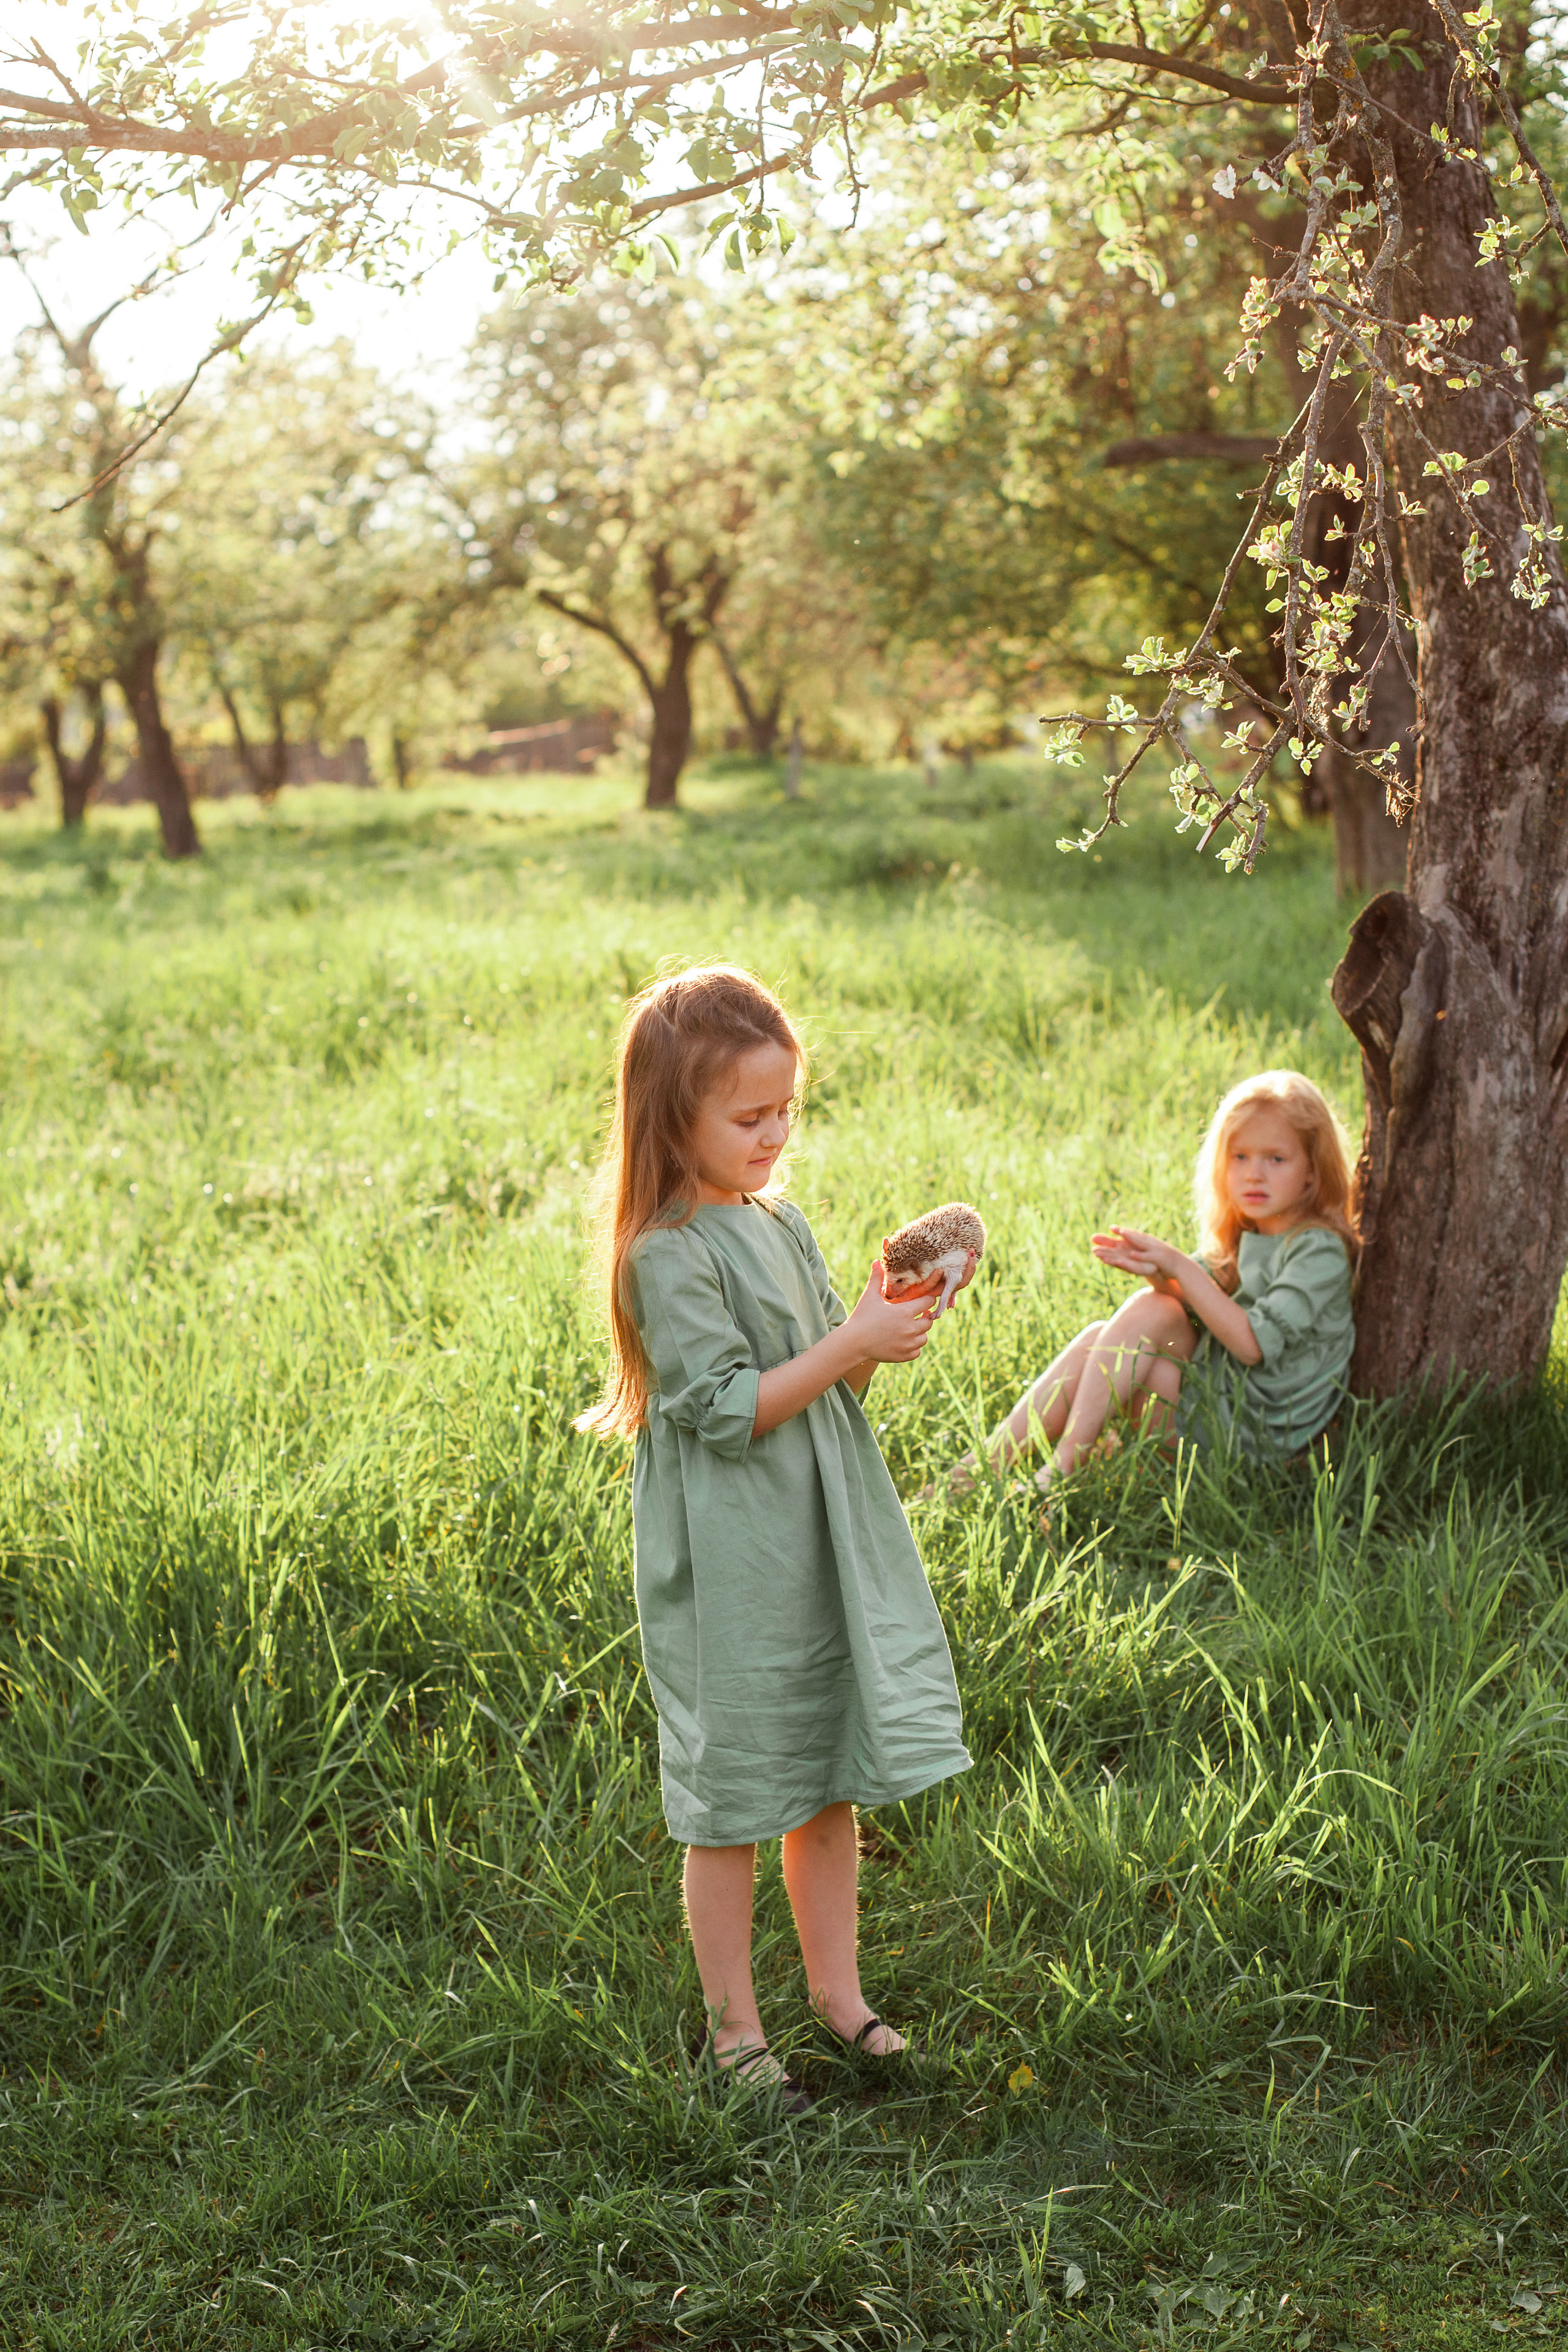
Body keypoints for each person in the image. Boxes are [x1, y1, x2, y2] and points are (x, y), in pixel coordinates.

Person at [576, 963, 973, 2111]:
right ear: (673, 1118)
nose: (775, 1133)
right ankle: (737, 2033)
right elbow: (731, 1406)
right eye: (748, 1117)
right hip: (732, 1557)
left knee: (824, 1775)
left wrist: (877, 1333)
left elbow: (817, 1384)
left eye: (787, 1108)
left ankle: (840, 1999)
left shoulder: (777, 1219)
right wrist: (847, 1346)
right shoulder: (665, 1252)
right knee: (736, 1794)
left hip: (815, 1532)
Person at [943, 1069, 1358, 1512]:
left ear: (1313, 1171)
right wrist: (1160, 1272)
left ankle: (1064, 1466)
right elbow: (1190, 1309)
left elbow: (1252, 1345)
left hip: (1260, 1441)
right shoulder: (1247, 1234)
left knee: (1148, 1319)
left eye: (1276, 1159)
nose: (1255, 1174)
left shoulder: (1318, 1250)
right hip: (1226, 1408)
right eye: (1240, 1157)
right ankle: (972, 1473)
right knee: (1103, 1336)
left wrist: (1177, 1265)